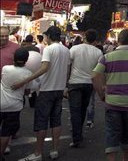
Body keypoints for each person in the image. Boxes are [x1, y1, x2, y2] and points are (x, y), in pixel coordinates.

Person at [92, 29, 128, 161]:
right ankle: (126, 158)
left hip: (112, 102)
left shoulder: (107, 56)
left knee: (112, 136)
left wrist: (102, 95)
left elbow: (95, 76)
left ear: (118, 40)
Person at [15, 26, 70, 161]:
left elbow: (44, 68)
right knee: (56, 121)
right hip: (59, 89)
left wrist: (26, 79)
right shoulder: (66, 50)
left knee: (41, 121)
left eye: (46, 36)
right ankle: (54, 150)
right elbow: (68, 69)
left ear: (50, 36)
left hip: (46, 90)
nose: (45, 38)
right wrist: (65, 85)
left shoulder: (49, 49)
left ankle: (38, 153)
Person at [66, 29, 103, 148]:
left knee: (75, 110)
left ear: (84, 37)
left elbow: (68, 66)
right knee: (82, 109)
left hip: (75, 82)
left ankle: (77, 137)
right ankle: (78, 133)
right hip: (89, 84)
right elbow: (99, 72)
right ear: (95, 40)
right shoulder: (98, 52)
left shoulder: (74, 49)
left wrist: (66, 84)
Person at [1, 48, 32, 158]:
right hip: (14, 107)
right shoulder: (28, 74)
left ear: (14, 58)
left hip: (1, 103)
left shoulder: (6, 69)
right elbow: (27, 91)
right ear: (26, 60)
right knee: (6, 132)